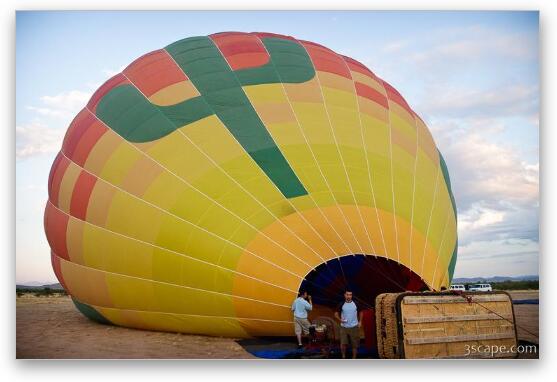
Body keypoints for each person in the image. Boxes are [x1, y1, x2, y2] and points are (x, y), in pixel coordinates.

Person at [334, 290, 363, 359]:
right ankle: (343, 357)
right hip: (344, 327)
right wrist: (340, 320)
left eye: (350, 295)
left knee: (354, 344)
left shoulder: (356, 303)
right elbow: (336, 314)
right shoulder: (341, 304)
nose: (349, 296)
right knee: (343, 343)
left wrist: (360, 321)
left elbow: (361, 312)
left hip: (354, 327)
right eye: (347, 294)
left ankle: (354, 358)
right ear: (345, 295)